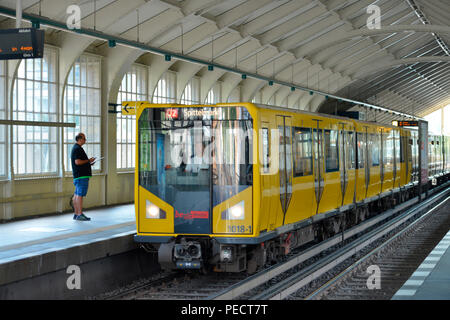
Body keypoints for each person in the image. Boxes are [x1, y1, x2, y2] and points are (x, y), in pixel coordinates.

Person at [71, 133, 95, 221]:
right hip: (81, 176)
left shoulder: (76, 148)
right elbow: (77, 162)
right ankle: (80, 214)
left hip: (78, 175)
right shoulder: (77, 149)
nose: (85, 140)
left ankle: (76, 213)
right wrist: (88, 160)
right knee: (79, 195)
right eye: (84, 139)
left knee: (76, 195)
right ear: (80, 139)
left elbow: (80, 162)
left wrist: (88, 163)